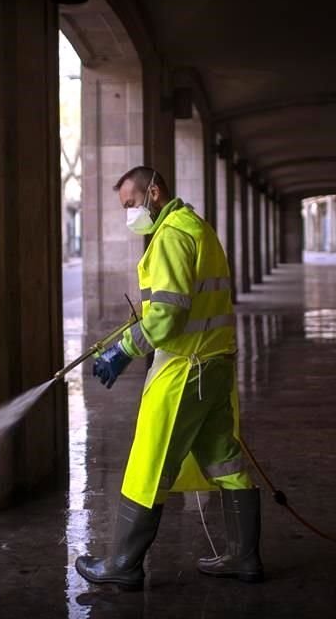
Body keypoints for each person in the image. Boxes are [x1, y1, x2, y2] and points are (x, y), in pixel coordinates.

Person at [74, 166, 263, 590]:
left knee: (149, 462)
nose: (128, 214)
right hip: (214, 365)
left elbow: (167, 317)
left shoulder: (172, 236)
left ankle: (122, 565)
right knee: (224, 460)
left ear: (153, 192)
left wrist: (124, 350)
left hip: (184, 370)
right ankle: (243, 557)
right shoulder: (197, 227)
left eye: (129, 204)